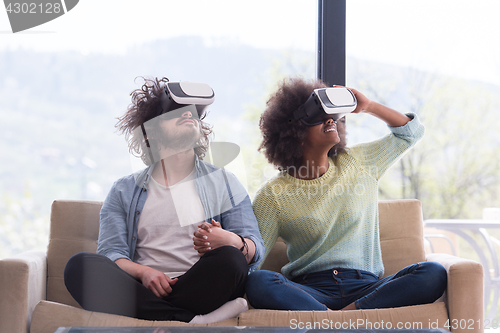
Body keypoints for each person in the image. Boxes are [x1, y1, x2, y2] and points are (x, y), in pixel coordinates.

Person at [64, 77, 264, 323]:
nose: (189, 116)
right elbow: (111, 254)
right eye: (177, 113)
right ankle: (190, 320)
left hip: (202, 286)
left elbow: (256, 249)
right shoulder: (123, 190)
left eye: (193, 114)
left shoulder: (224, 182)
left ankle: (157, 315)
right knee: (79, 267)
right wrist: (144, 272)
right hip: (142, 288)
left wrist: (233, 241)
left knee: (231, 259)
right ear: (153, 130)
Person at [246, 77, 447, 311]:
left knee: (433, 273)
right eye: (319, 117)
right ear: (294, 131)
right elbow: (254, 261)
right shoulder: (272, 195)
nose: (330, 120)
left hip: (367, 289)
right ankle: (345, 321)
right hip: (310, 292)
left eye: (331, 116)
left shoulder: (358, 162)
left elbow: (411, 132)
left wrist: (368, 106)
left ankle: (335, 320)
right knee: (259, 282)